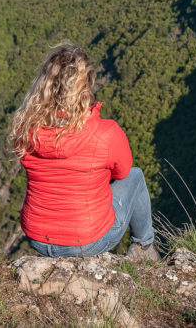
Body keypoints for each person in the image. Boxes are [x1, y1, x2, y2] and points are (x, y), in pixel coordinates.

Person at [9, 42, 158, 260]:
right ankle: (144, 247)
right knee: (136, 176)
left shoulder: (26, 130)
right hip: (87, 242)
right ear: (85, 87)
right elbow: (122, 173)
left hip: (37, 238)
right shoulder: (105, 133)